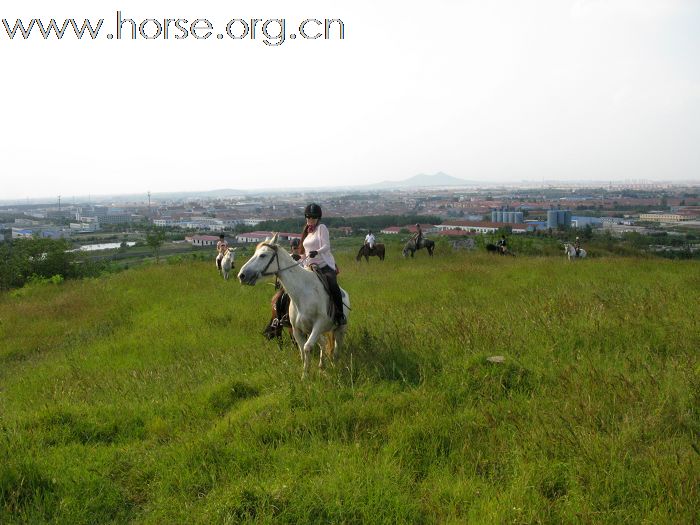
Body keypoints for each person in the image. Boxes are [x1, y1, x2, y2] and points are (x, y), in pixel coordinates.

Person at [299, 203, 346, 325]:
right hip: (308, 267)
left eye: (313, 218)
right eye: (308, 217)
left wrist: (317, 252)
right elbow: (305, 254)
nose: (310, 220)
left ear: (318, 218)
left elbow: (326, 246)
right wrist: (297, 257)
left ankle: (340, 315)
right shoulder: (307, 233)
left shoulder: (322, 228)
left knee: (333, 283)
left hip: (324, 266)